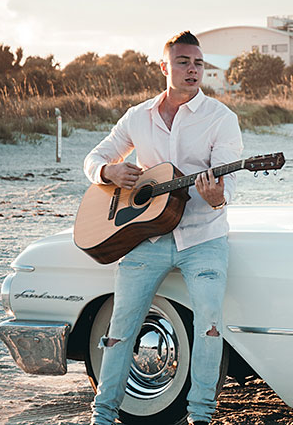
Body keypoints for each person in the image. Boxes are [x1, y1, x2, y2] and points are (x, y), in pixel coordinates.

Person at [84, 31, 243, 425]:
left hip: (204, 238)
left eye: (199, 63)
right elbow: (94, 158)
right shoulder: (138, 117)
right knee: (121, 327)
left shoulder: (221, 119)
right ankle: (102, 415)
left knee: (208, 325)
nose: (193, 70)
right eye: (184, 62)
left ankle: (200, 416)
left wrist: (216, 195)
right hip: (144, 236)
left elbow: (231, 186)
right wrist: (110, 171)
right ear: (164, 67)